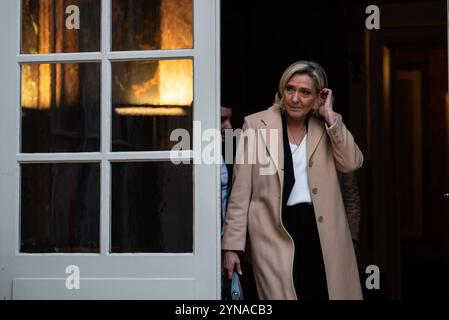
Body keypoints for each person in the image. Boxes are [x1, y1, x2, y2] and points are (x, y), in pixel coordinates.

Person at [222, 61, 364, 300]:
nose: (295, 98)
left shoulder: (330, 124)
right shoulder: (255, 125)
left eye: (305, 92)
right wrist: (232, 245)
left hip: (321, 232)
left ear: (319, 96)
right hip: (273, 231)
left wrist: (330, 116)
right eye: (290, 89)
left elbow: (352, 162)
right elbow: (241, 190)